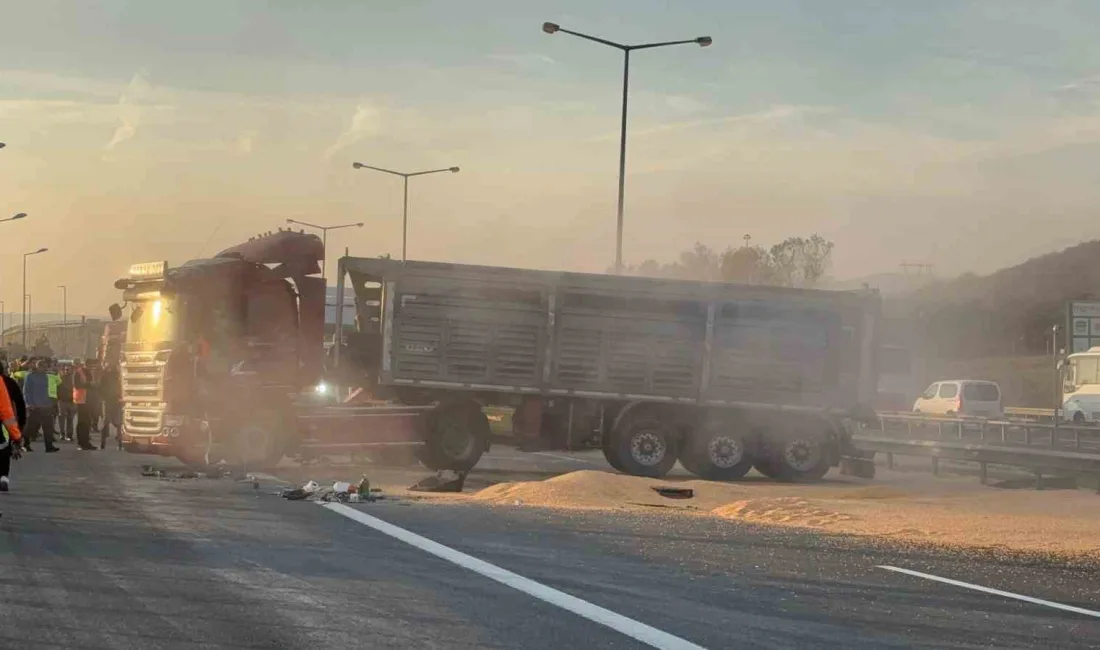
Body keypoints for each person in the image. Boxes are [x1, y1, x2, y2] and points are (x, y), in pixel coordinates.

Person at [23, 359, 60, 453]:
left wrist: (52, 402)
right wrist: (29, 404)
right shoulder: (30, 376)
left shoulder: (46, 377)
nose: (44, 368)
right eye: (42, 367)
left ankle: (49, 446)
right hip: (34, 406)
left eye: (45, 367)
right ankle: (25, 444)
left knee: (48, 427)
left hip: (46, 405)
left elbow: (51, 389)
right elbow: (27, 391)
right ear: (37, 367)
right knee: (30, 428)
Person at [0, 361, 26, 492]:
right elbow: (16, 407)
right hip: (3, 425)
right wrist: (18, 434)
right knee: (4, 450)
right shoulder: (8, 383)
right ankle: (3, 476)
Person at [99, 360, 122, 450]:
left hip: (108, 401)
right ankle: (119, 444)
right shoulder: (118, 376)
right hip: (115, 401)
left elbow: (100, 388)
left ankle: (103, 444)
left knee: (105, 423)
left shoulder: (105, 376)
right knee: (118, 424)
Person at [73, 360, 95, 451]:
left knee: (87, 422)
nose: (91, 367)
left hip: (87, 400)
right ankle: (82, 443)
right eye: (90, 365)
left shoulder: (88, 372)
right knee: (82, 423)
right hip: (81, 401)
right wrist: (89, 384)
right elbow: (77, 385)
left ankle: (86, 442)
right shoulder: (78, 373)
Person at [57, 364, 76, 442]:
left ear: (72, 370)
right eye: (65, 369)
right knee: (62, 418)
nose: (67, 371)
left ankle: (69, 435)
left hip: (72, 401)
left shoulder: (74, 378)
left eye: (68, 369)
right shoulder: (60, 378)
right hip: (62, 401)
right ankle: (62, 434)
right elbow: (57, 388)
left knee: (70, 419)